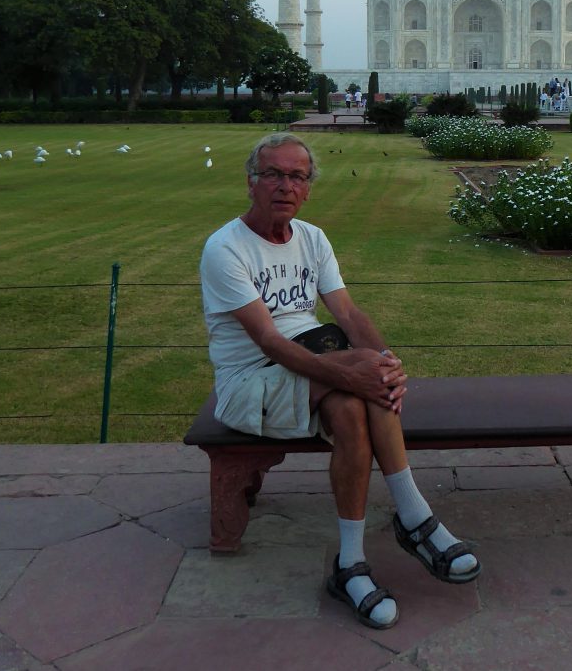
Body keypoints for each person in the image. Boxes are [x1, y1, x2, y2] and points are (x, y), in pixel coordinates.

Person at [200, 134, 480, 630]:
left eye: (297, 176)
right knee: (358, 391)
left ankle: (351, 563)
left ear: (308, 188)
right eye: (273, 174)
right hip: (250, 383)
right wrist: (356, 373)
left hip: (308, 359)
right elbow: (266, 341)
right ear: (251, 183)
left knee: (359, 396)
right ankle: (414, 521)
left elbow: (347, 312)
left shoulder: (312, 237)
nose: (285, 185)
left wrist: (385, 362)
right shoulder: (226, 248)